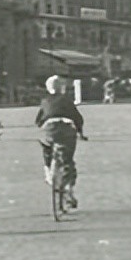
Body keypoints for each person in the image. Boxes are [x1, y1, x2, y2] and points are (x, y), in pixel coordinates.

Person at [36, 75, 86, 209]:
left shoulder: (45, 100)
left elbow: (38, 120)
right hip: (65, 130)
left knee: (46, 149)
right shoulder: (66, 100)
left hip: (49, 129)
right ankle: (69, 189)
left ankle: (48, 172)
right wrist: (81, 132)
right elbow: (77, 118)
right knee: (68, 159)